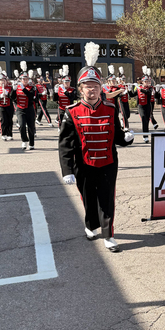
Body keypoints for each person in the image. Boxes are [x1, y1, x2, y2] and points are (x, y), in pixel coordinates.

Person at [59, 47, 134, 252]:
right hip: (83, 164)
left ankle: (108, 235)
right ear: (80, 89)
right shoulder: (72, 112)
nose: (91, 90)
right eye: (87, 86)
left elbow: (116, 135)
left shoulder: (110, 109)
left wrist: (126, 139)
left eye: (95, 86)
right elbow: (65, 144)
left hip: (108, 162)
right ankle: (91, 224)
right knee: (88, 197)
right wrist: (67, 170)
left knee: (107, 199)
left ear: (101, 89)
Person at [12, 73, 37, 150]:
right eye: (23, 79)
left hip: (29, 109)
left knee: (31, 127)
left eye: (26, 79)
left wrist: (23, 89)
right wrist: (13, 90)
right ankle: (24, 140)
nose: (25, 80)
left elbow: (31, 97)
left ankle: (31, 143)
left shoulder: (32, 87)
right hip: (20, 109)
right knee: (22, 125)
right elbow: (12, 97)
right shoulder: (18, 87)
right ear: (20, 80)